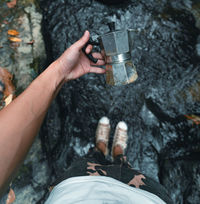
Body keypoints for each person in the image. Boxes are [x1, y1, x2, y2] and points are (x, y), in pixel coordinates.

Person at [0, 31, 173, 203]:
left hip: (78, 189)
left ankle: (99, 148)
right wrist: (60, 72)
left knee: (91, 160)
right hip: (141, 196)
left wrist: (61, 71)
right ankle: (119, 153)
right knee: (125, 168)